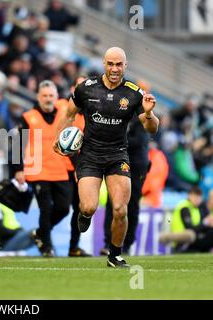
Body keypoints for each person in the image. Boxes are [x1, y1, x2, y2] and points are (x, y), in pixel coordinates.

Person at [54, 47, 159, 268]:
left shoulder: (134, 93)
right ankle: (84, 214)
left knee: (121, 209)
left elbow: (152, 129)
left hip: (118, 155)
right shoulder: (86, 88)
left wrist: (149, 113)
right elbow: (69, 113)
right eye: (110, 64)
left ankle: (115, 255)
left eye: (118, 64)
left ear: (125, 66)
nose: (114, 68)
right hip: (90, 155)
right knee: (88, 207)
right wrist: (59, 137)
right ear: (104, 64)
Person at [13, 80, 72, 257]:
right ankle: (46, 247)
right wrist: (18, 169)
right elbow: (18, 144)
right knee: (45, 209)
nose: (48, 99)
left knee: (63, 208)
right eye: (45, 95)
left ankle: (40, 233)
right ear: (38, 97)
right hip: (38, 171)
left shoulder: (64, 113)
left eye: (51, 96)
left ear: (57, 97)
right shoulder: (28, 116)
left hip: (60, 169)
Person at [102, 107, 151, 256]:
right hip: (117, 163)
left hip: (136, 166)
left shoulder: (141, 117)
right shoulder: (115, 114)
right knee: (112, 203)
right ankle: (109, 242)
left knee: (132, 203)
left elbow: (140, 140)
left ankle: (127, 243)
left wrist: (115, 139)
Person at [56, 76, 92, 257]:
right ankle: (43, 237)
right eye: (78, 85)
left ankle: (73, 247)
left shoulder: (91, 111)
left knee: (80, 207)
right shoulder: (64, 108)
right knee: (61, 207)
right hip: (61, 168)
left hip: (80, 166)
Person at [0, 182, 35, 253]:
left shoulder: (5, 204)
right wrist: (17, 231)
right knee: (37, 232)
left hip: (12, 239)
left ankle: (48, 254)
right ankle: (50, 254)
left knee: (41, 233)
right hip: (4, 243)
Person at [159, 186, 213, 253]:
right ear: (190, 196)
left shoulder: (196, 208)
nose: (198, 200)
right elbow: (189, 227)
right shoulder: (184, 207)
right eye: (195, 197)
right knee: (191, 234)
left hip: (193, 234)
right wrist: (206, 223)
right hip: (181, 236)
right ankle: (182, 248)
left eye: (199, 198)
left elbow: (199, 225)